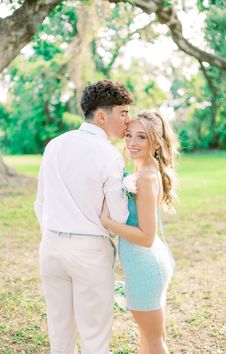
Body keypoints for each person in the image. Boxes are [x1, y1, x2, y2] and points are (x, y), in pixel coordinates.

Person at [34, 80, 133, 354]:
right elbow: (119, 216)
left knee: (59, 334)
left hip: (51, 247)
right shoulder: (109, 155)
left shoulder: (54, 145)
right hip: (90, 251)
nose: (128, 120)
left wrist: (52, 234)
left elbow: (40, 201)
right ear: (102, 116)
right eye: (123, 113)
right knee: (95, 338)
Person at [101, 110, 179, 354]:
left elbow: (146, 237)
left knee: (154, 342)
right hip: (146, 264)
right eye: (129, 135)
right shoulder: (144, 171)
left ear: (155, 141)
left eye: (141, 137)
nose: (132, 143)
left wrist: (108, 222)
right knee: (149, 338)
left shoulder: (145, 177)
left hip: (146, 266)